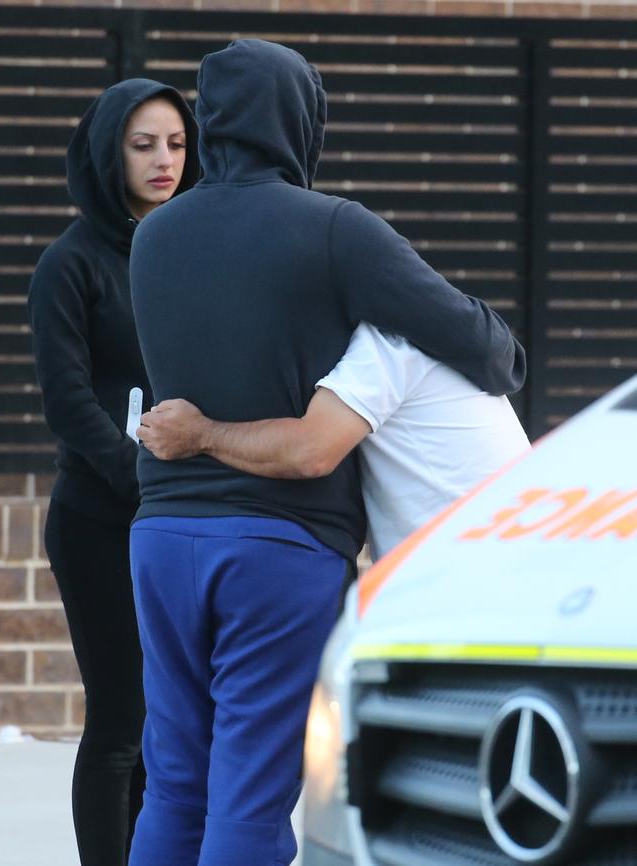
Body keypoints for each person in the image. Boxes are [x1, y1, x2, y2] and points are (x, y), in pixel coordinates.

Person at [127, 39, 526, 866]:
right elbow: (490, 354)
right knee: (250, 790)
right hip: (278, 548)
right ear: (298, 121)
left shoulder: (154, 237)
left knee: (172, 782)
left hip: (161, 536)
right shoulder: (335, 230)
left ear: (212, 123)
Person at [27, 79, 199, 866]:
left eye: (175, 143)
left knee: (172, 726)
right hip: (101, 521)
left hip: (181, 520)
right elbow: (69, 405)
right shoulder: (71, 264)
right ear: (108, 154)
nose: (164, 160)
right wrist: (141, 479)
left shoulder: (198, 247)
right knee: (120, 722)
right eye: (143, 145)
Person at [138, 322, 531, 561]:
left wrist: (201, 434)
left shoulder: (388, 344)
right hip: (493, 565)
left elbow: (310, 451)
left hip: (466, 582)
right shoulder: (418, 336)